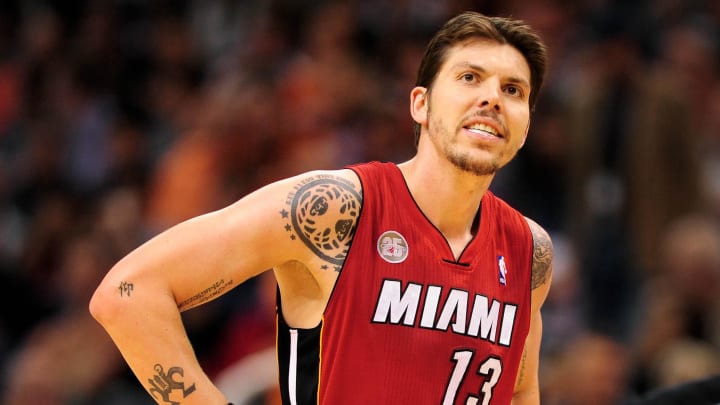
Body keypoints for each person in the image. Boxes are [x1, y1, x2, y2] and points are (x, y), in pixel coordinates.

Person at [90, 11, 553, 405]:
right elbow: (129, 293)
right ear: (421, 105)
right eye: (469, 78)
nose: (492, 97)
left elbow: (518, 392)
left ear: (526, 124)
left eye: (514, 90)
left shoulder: (529, 252)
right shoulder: (336, 208)